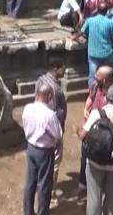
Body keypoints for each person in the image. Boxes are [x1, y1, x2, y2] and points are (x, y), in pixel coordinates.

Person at [79, 83, 113, 215]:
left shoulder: (97, 113)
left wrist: (78, 128)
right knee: (111, 196)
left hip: (95, 161)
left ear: (107, 98)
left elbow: (83, 135)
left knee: (94, 197)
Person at [22, 83, 62, 215]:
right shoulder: (49, 115)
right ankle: (43, 212)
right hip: (44, 152)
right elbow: (57, 134)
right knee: (44, 184)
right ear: (49, 96)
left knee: (30, 182)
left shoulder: (27, 108)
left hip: (31, 149)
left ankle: (28, 211)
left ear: (36, 93)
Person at [35, 62, 67, 206]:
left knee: (40, 163)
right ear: (56, 68)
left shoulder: (40, 80)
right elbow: (58, 115)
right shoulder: (56, 89)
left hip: (38, 131)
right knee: (53, 164)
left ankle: (40, 187)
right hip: (52, 133)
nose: (64, 71)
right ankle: (51, 193)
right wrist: (59, 134)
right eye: (63, 68)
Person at [74, 2, 113, 86]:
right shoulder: (110, 23)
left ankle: (92, 93)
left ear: (97, 10)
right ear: (107, 12)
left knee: (92, 75)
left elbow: (81, 32)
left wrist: (74, 37)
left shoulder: (90, 20)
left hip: (93, 54)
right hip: (107, 54)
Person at [78, 66, 113, 192]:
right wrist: (85, 109)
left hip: (103, 131)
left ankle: (100, 186)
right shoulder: (94, 86)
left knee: (101, 157)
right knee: (84, 156)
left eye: (98, 77)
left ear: (105, 80)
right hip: (89, 127)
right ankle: (83, 183)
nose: (95, 78)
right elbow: (90, 98)